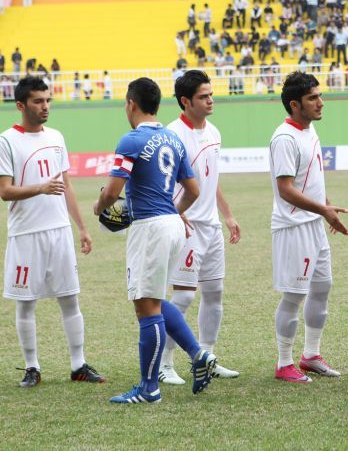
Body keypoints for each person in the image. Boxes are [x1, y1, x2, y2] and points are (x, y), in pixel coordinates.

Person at [95, 77, 217, 404]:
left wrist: (98, 207)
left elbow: (112, 192)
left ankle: (149, 388)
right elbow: (193, 190)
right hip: (172, 225)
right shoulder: (172, 139)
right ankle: (199, 354)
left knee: (146, 307)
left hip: (150, 228)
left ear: (131, 104)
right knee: (156, 299)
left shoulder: (132, 140)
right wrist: (172, 213)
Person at [0, 77, 104, 388]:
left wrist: (82, 228)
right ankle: (32, 367)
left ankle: (78, 365)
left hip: (59, 232)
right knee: (26, 303)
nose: (45, 106)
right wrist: (41, 188)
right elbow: (5, 191)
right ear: (21, 105)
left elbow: (66, 186)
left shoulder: (57, 137)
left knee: (70, 299)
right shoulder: (7, 141)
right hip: (26, 234)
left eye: (48, 100)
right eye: (38, 101)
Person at [158, 71, 241, 385]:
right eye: (203, 96)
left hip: (211, 226)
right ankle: (164, 364)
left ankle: (206, 358)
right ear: (185, 101)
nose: (210, 100)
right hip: (185, 225)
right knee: (183, 296)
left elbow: (211, 179)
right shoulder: (172, 135)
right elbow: (162, 182)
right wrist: (175, 213)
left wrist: (228, 215)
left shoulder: (214, 132)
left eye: (210, 94)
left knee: (214, 293)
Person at [270, 72, 348, 383]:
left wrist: (326, 209)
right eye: (312, 98)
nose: (320, 102)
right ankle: (284, 363)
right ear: (295, 104)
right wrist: (322, 210)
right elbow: (285, 190)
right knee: (293, 295)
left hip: (314, 224)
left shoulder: (309, 130)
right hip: (294, 227)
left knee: (322, 288)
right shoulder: (285, 138)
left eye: (320, 96)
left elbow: (311, 180)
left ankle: (311, 355)